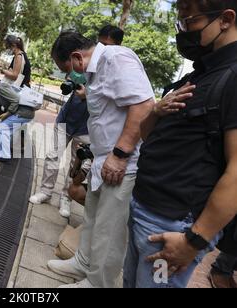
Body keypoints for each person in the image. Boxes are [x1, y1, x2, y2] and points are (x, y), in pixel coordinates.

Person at [124, 0, 237, 288]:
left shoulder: (233, 79)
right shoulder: (199, 74)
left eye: (190, 20)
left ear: (225, 19)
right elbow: (151, 136)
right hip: (144, 213)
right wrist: (156, 111)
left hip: (172, 232)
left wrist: (194, 241)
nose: (183, 30)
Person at [47, 31, 154, 288]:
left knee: (109, 228)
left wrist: (120, 155)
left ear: (76, 57)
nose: (68, 76)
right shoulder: (94, 72)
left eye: (67, 69)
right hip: (102, 159)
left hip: (122, 163)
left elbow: (143, 106)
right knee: (93, 218)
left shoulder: (117, 59)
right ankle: (83, 261)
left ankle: (98, 283)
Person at [29, 88, 90, 218]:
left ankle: (67, 197)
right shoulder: (82, 70)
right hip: (65, 119)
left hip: (87, 128)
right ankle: (45, 191)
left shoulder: (107, 74)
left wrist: (89, 94)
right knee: (53, 155)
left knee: (76, 163)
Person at [0, 76, 35, 163]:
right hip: (23, 113)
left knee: (3, 128)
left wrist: (8, 113)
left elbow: (16, 99)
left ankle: (4, 155)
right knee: (4, 130)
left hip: (23, 113)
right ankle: (0, 153)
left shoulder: (1, 87)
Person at [0, 35, 32, 122]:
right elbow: (14, 71)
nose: (7, 50)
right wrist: (1, 67)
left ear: (13, 45)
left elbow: (15, 75)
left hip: (18, 91)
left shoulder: (18, 56)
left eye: (8, 47)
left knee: (0, 90)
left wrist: (1, 70)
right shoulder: (20, 55)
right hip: (18, 90)